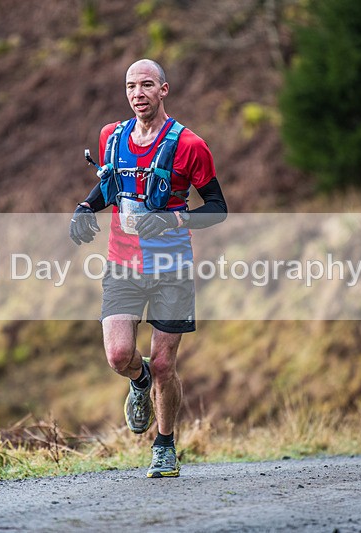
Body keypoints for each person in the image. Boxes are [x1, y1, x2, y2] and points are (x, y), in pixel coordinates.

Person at [69, 59, 227, 478]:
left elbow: (217, 208)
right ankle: (138, 381)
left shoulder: (190, 145)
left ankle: (165, 446)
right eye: (130, 86)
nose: (138, 94)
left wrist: (173, 219)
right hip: (122, 264)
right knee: (119, 355)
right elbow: (110, 185)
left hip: (172, 268)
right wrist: (85, 207)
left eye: (146, 85)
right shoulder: (112, 136)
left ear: (163, 90)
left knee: (163, 365)